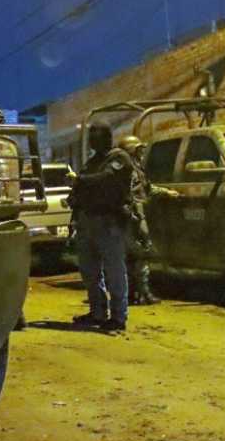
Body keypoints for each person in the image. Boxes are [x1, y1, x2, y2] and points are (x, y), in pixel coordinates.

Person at [67, 125, 134, 332]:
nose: (93, 142)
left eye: (96, 138)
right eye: (91, 138)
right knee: (90, 271)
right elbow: (81, 190)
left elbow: (107, 179)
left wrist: (79, 180)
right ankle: (97, 312)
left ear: (107, 138)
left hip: (109, 221)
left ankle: (118, 316)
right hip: (87, 222)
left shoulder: (119, 158)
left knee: (114, 270)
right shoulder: (92, 162)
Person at [116, 135, 178, 305]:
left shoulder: (135, 169)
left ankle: (134, 294)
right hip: (132, 215)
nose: (142, 153)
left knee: (134, 256)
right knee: (140, 254)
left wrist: (166, 192)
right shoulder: (125, 170)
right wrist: (135, 216)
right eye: (139, 150)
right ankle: (141, 293)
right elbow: (129, 194)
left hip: (133, 214)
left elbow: (147, 188)